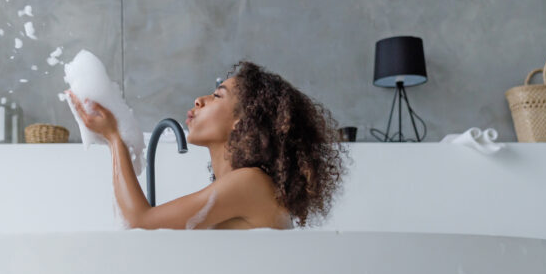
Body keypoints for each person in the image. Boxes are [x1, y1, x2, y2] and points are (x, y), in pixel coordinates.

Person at [68, 61, 345, 229]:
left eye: (217, 96)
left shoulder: (250, 183)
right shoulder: (246, 184)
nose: (199, 100)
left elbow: (138, 223)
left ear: (243, 121)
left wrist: (113, 137)